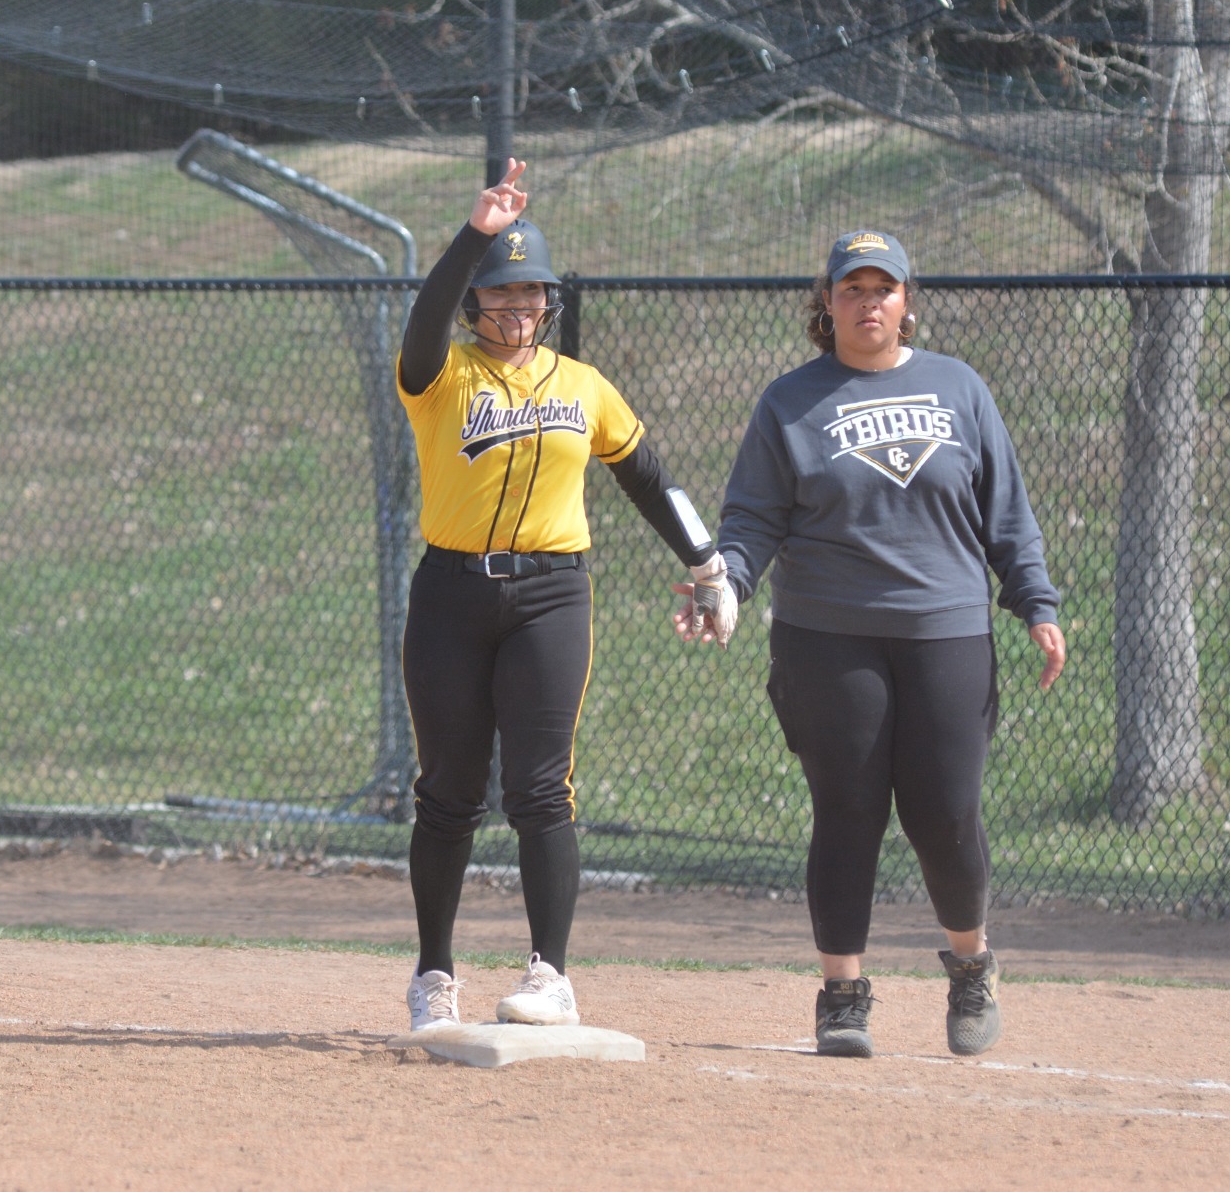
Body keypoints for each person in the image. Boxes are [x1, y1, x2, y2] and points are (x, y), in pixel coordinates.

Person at [675, 228, 1065, 1059]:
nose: (868, 303)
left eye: (883, 288)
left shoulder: (959, 388)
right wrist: (728, 586)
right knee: (847, 811)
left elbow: (1007, 515)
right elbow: (750, 520)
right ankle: (842, 996)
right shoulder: (790, 401)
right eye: (852, 289)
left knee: (946, 812)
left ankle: (970, 966)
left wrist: (1035, 601)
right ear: (827, 303)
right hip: (829, 636)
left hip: (945, 629)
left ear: (907, 302)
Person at [397, 158, 729, 1033]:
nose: (517, 310)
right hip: (450, 595)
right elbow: (423, 322)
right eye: (499, 295)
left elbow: (650, 478)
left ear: (552, 302)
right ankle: (434, 973)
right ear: (474, 304)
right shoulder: (441, 378)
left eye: (532, 294)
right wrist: (473, 237)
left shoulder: (583, 386)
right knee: (449, 792)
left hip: (552, 596)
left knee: (543, 789)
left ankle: (550, 973)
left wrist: (708, 564)